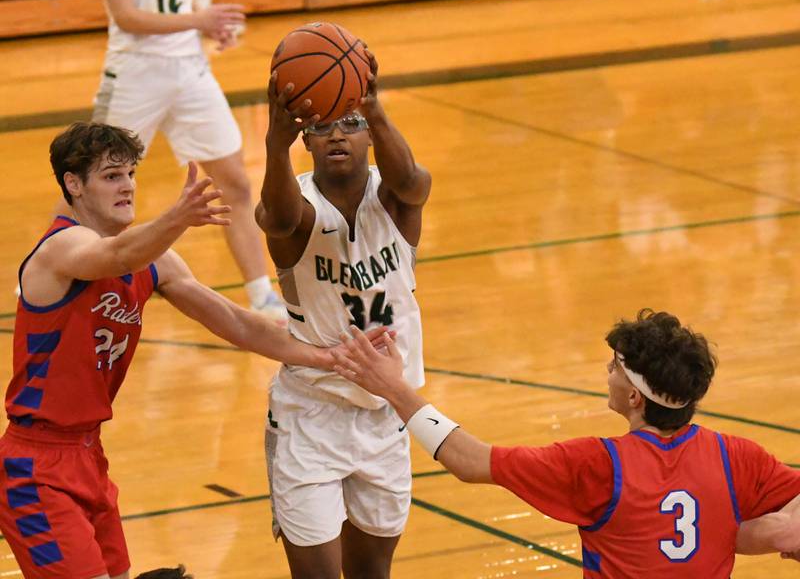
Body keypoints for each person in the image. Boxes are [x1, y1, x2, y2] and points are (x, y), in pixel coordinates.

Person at [0, 122, 389, 579]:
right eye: (111, 176)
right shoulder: (60, 247)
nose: (127, 186)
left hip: (89, 456)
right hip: (37, 466)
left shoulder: (157, 263)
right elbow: (117, 257)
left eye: (130, 174)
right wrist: (177, 217)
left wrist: (326, 354)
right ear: (73, 184)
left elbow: (237, 323)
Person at [330, 309, 800, 577]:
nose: (608, 373)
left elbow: (468, 461)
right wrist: (761, 534)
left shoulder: (597, 465)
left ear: (634, 397)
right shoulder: (735, 457)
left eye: (614, 366)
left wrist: (394, 388)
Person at [255, 51, 432, 578]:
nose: (338, 135)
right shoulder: (299, 205)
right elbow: (280, 219)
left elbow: (414, 184)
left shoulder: (396, 199)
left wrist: (375, 108)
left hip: (386, 413)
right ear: (306, 140)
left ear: (370, 136)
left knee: (372, 574)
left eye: (351, 125)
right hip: (311, 414)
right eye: (323, 126)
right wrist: (274, 139)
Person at [87, 0, 285, 318]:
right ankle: (45, 270)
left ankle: (261, 295)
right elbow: (126, 16)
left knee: (236, 183)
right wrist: (200, 20)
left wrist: (208, 25)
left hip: (191, 71)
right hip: (135, 74)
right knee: (91, 180)